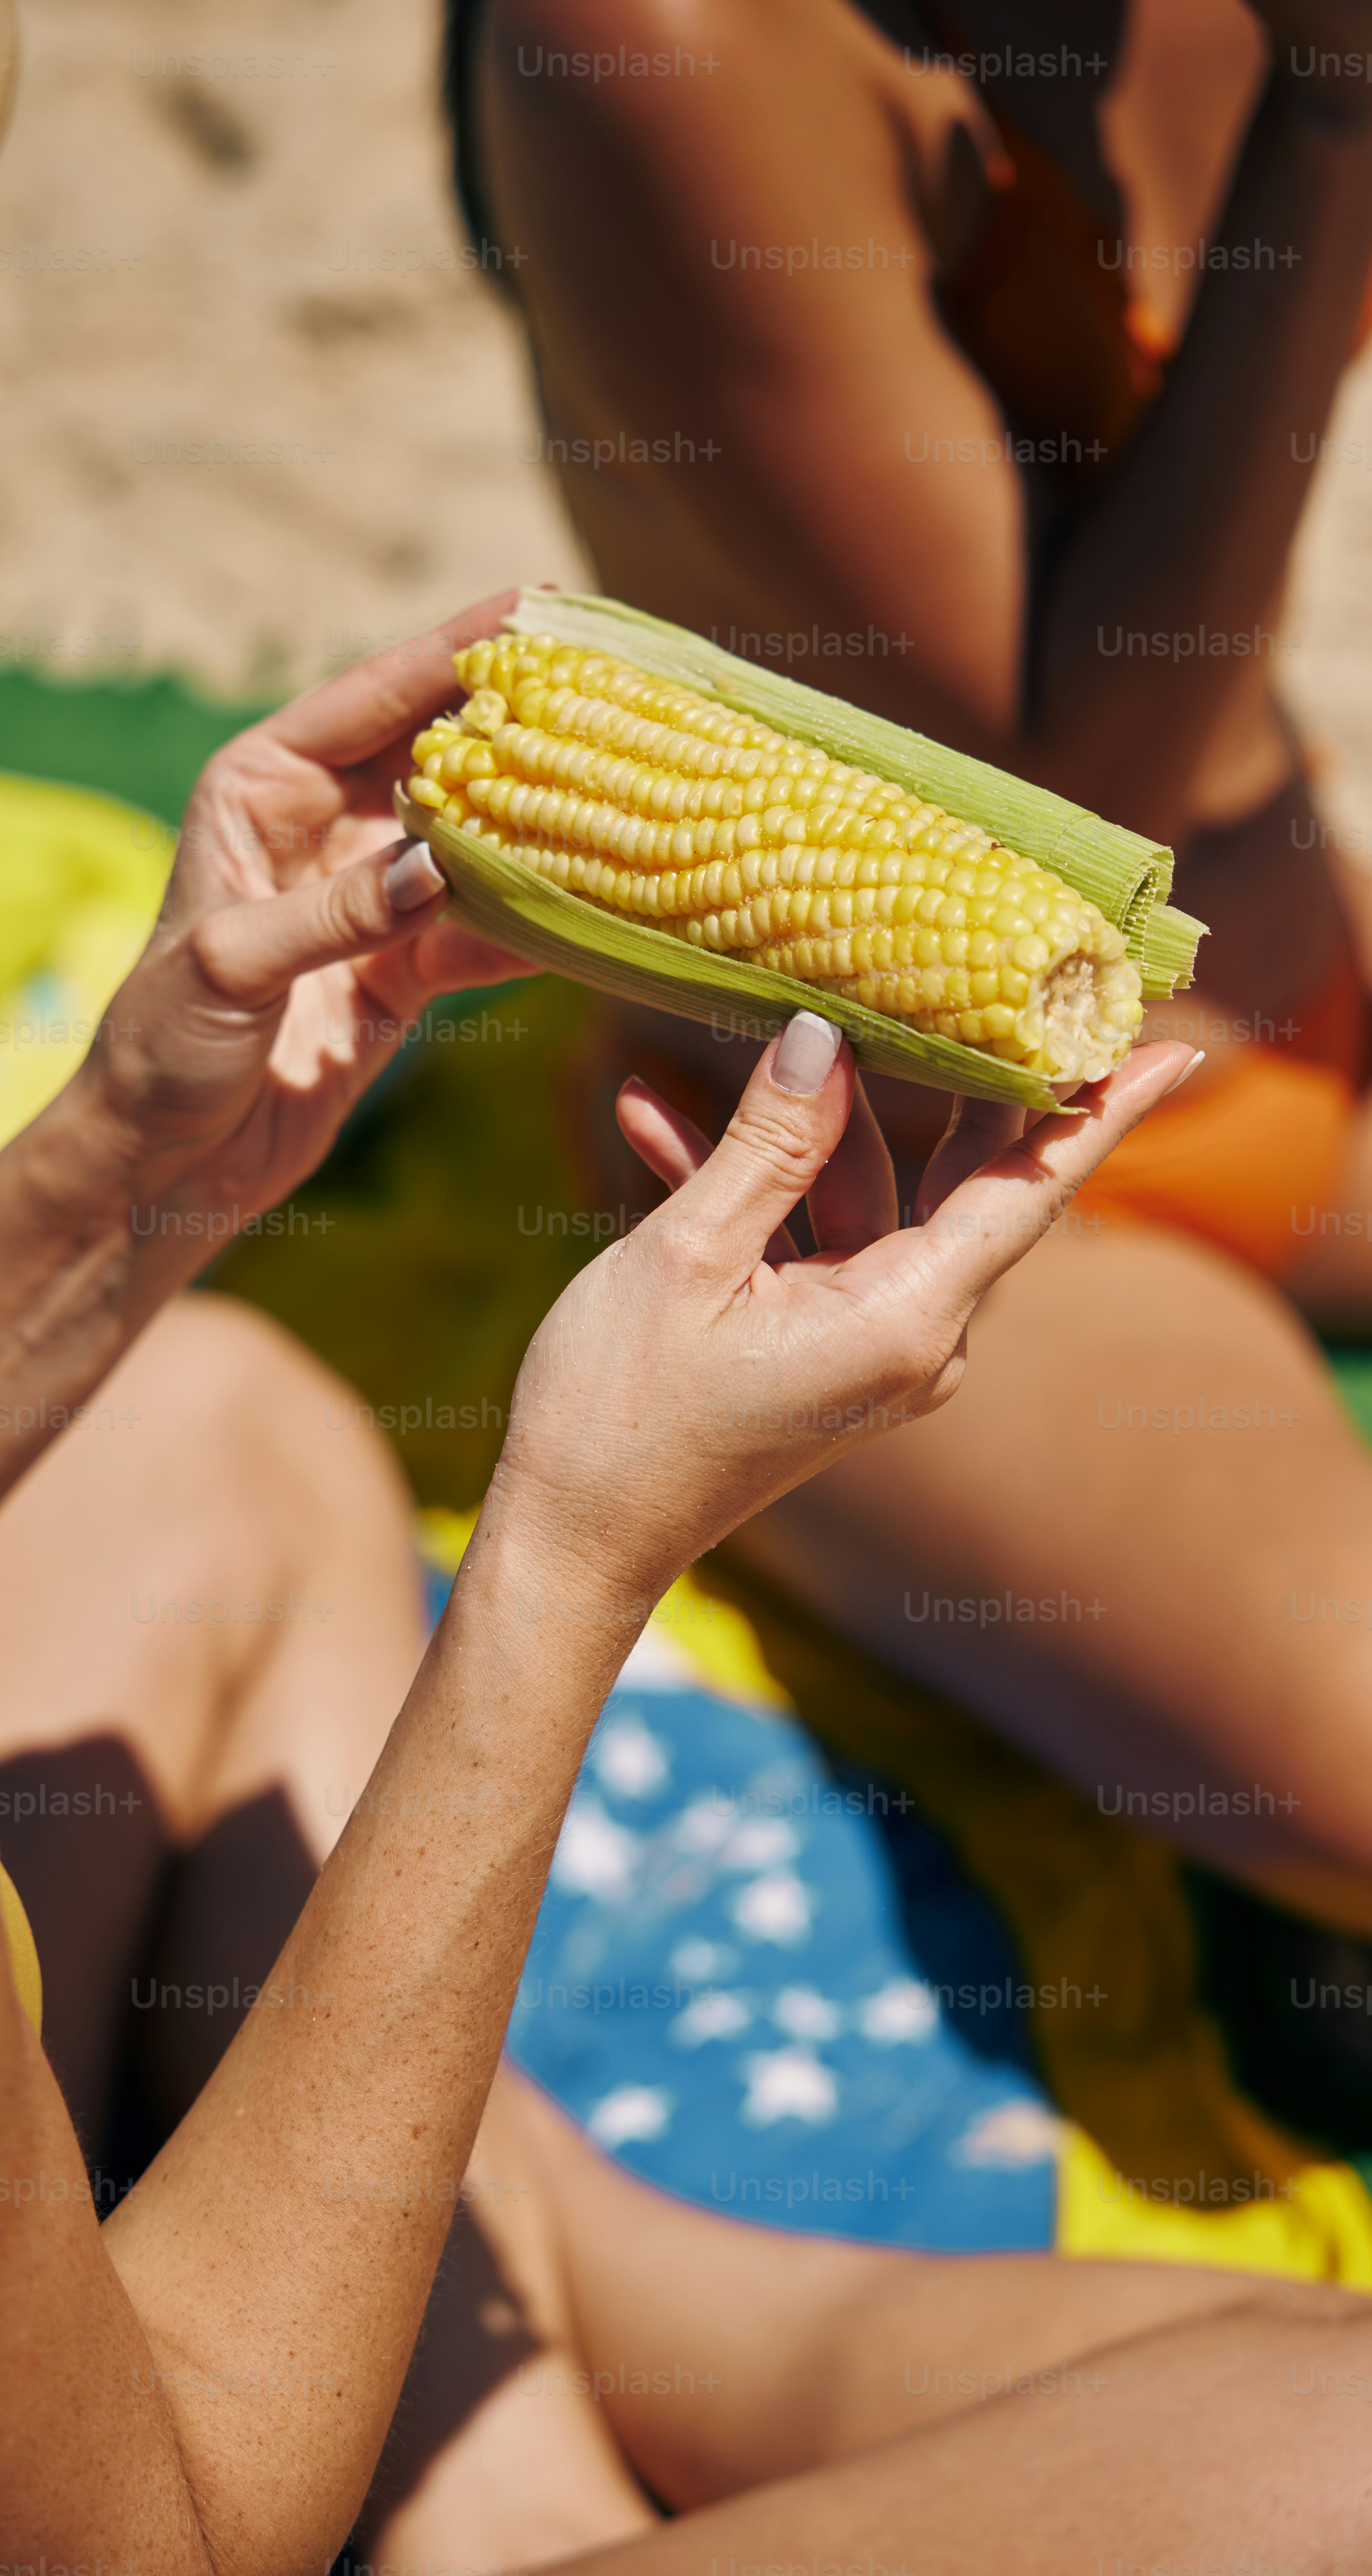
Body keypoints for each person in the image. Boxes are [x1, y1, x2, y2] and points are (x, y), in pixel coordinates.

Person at [0, 7, 1372, 2570]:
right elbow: (126, 2544)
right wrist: (580, 1542)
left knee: (211, 1429)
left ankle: (561, 2305)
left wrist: (145, 1153)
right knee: (1329, 2455)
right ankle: (545, 2448)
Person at [443, 0, 1372, 1941]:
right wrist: (1337, 119)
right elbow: (1049, 843)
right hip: (906, 1174)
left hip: (1301, 1004)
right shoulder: (655, 41)